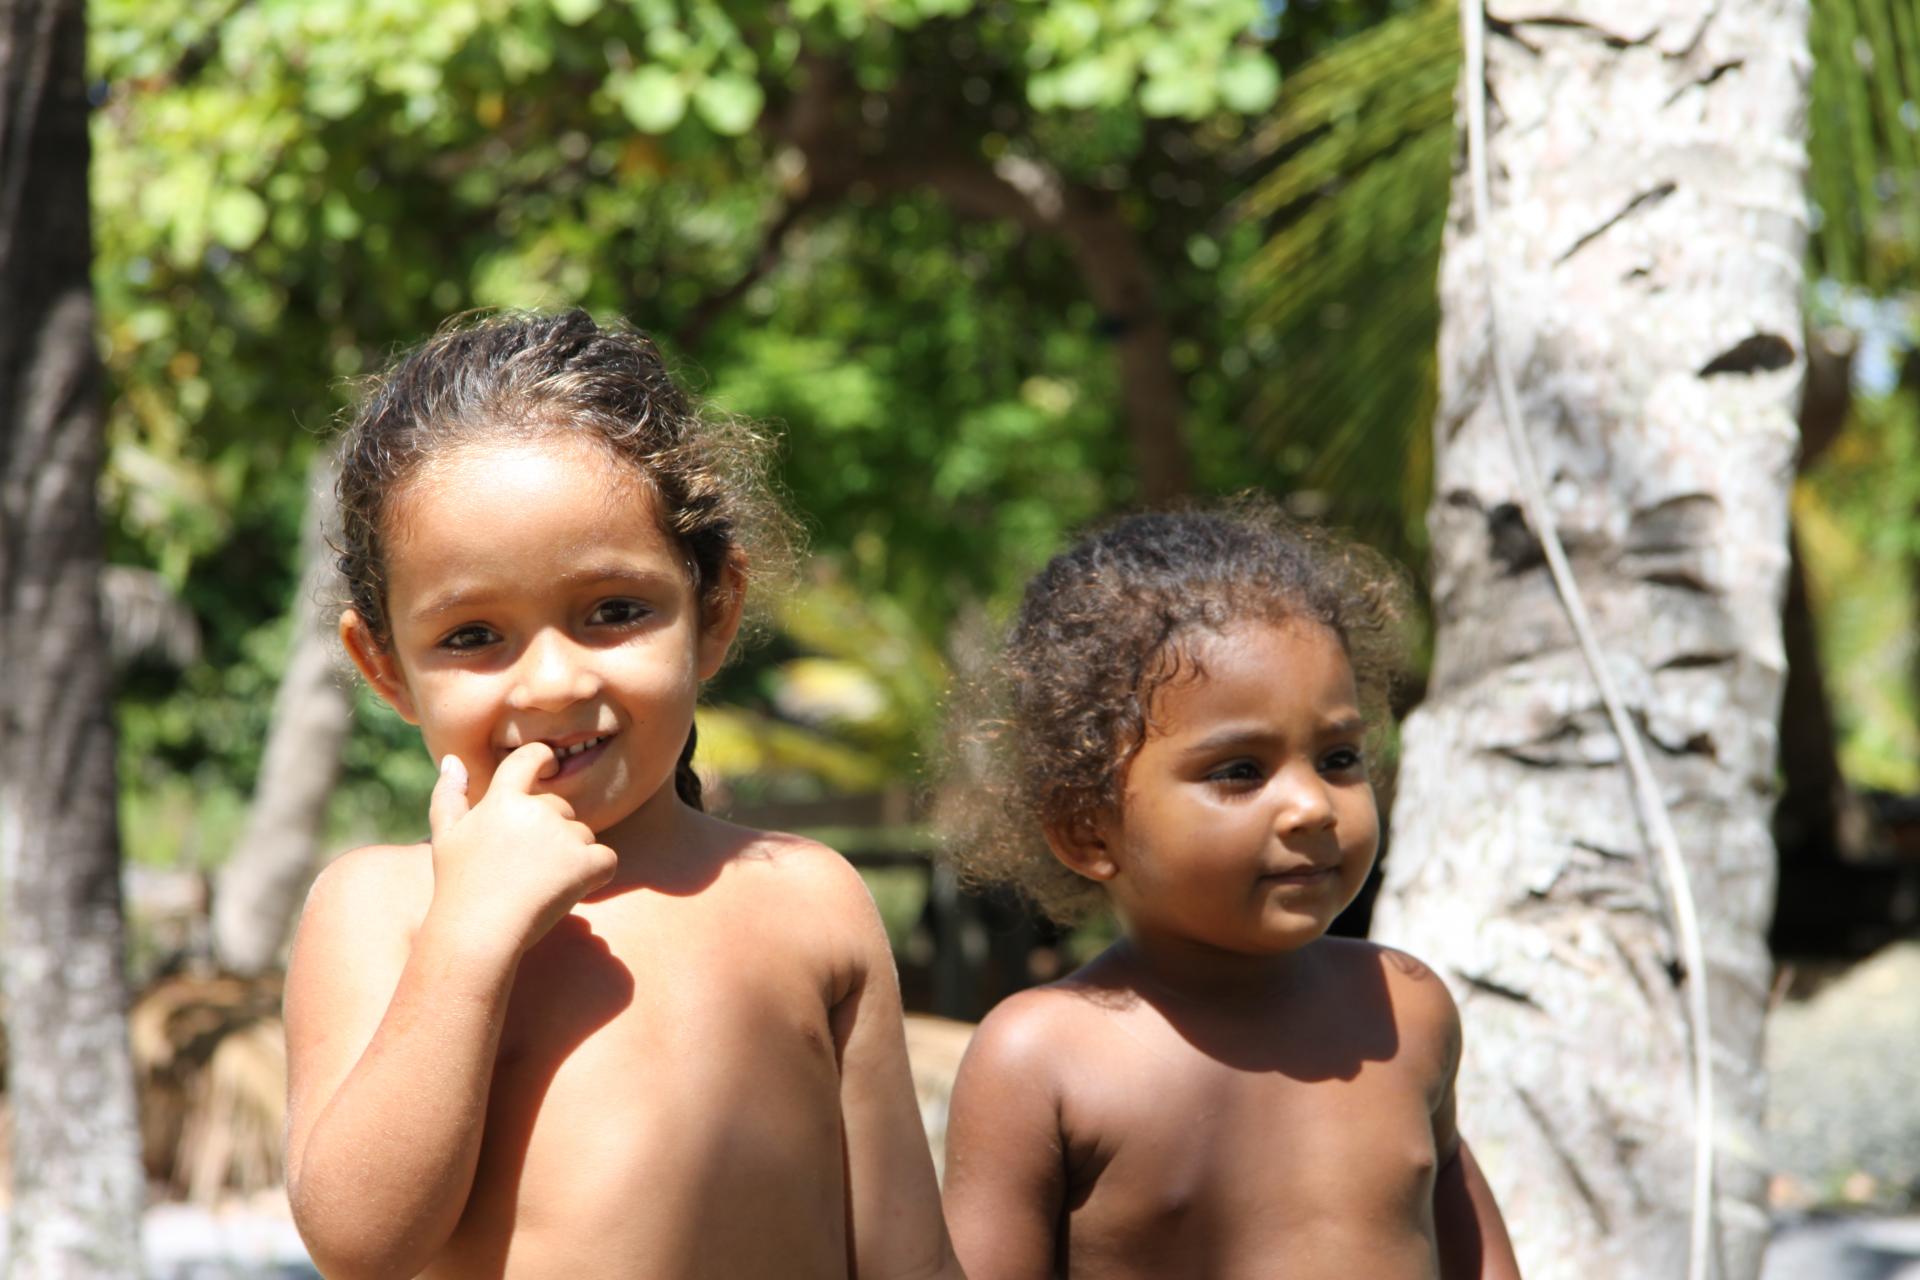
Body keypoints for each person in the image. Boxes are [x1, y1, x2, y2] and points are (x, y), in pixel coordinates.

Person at [282, 311, 959, 1280]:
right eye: (474, 634)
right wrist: (466, 943)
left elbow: (909, 1257)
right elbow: (358, 1240)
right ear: (383, 666)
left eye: (614, 611)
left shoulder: (809, 899)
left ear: (714, 611)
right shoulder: (381, 909)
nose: (553, 681)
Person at [938, 502, 1521, 1280]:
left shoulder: (1404, 1011)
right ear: (1089, 828)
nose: (1313, 805)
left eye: (1340, 757)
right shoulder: (1042, 1058)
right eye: (1240, 771)